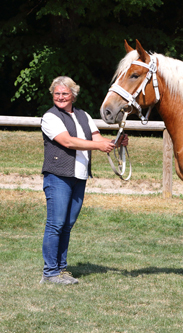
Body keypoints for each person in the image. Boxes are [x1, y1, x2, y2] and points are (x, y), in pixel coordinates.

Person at [40, 76, 128, 285]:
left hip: (79, 177)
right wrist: (98, 146)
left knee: (67, 225)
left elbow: (97, 140)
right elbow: (68, 141)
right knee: (56, 224)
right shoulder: (50, 117)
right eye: (57, 93)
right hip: (58, 176)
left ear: (73, 95)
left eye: (64, 93)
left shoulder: (83, 116)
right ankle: (50, 272)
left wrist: (115, 142)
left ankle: (61, 269)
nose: (60, 97)